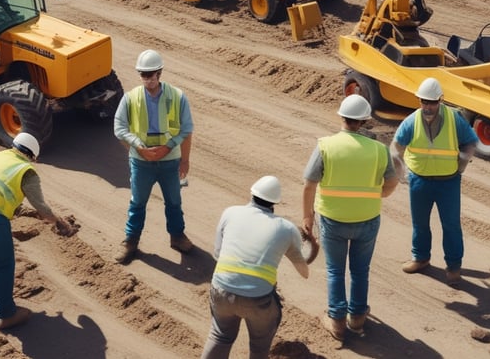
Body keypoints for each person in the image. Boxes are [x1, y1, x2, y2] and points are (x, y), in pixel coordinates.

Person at [302, 95, 401, 341]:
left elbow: (309, 185)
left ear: (342, 117)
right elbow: (391, 182)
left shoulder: (325, 145)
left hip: (333, 220)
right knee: (360, 270)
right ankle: (357, 318)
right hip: (367, 219)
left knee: (335, 270)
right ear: (365, 121)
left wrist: (307, 217)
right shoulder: (379, 150)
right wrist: (375, 196)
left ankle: (336, 321)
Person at [0, 132, 72, 330]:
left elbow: (0, 191)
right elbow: (41, 207)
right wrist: (58, 221)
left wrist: (29, 213)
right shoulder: (26, 169)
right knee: (3, 264)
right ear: (32, 156)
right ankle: (6, 314)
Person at [201, 175, 309, 359]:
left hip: (221, 291)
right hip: (259, 301)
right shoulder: (287, 228)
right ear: (275, 203)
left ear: (252, 194)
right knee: (259, 349)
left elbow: (218, 255)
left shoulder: (230, 213)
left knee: (220, 336)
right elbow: (303, 272)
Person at [390, 77, 478, 286]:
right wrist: (399, 171)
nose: (427, 107)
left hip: (448, 182)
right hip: (419, 181)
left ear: (440, 100)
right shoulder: (411, 121)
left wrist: (461, 165)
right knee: (419, 224)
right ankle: (420, 258)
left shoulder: (454, 119)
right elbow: (396, 148)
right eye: (423, 102)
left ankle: (454, 267)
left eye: (431, 102)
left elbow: (470, 142)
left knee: (451, 225)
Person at [113, 49, 194, 265]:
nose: (147, 79)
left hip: (170, 161)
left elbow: (186, 129)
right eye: (143, 75)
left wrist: (173, 152)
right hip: (141, 163)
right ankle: (130, 242)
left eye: (151, 74)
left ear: (160, 73)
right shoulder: (131, 98)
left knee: (174, 202)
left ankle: (177, 236)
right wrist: (139, 147)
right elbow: (119, 128)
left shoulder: (177, 97)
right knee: (137, 203)